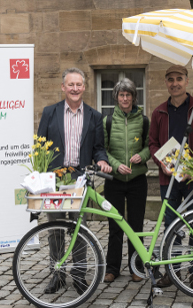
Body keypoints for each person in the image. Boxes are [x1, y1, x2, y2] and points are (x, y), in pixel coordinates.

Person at [37, 67, 112, 295]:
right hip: (55, 179)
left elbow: (99, 148)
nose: (75, 89)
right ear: (63, 87)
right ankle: (57, 275)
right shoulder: (49, 112)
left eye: (79, 85)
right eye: (71, 85)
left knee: (81, 228)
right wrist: (41, 172)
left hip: (80, 179)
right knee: (55, 229)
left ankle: (79, 275)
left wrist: (102, 161)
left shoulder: (94, 116)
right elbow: (41, 145)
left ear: (84, 87)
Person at [149, 64, 193, 290]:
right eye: (170, 79)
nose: (175, 83)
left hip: (192, 180)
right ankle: (172, 271)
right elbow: (153, 144)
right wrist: (162, 164)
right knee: (171, 226)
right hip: (168, 180)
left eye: (179, 79)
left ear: (187, 81)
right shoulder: (159, 112)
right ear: (166, 83)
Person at [102, 78, 151, 283]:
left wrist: (143, 155)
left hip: (137, 180)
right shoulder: (107, 121)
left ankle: (136, 267)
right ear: (116, 97)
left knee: (135, 225)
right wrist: (114, 165)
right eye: (121, 95)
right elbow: (103, 150)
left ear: (133, 97)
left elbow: (151, 146)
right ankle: (112, 268)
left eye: (128, 95)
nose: (125, 98)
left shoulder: (144, 120)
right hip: (114, 180)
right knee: (115, 226)